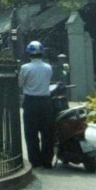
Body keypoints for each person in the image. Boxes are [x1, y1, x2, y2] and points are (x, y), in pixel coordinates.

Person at [17, 40, 56, 169]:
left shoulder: (25, 68)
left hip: (30, 102)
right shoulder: (48, 67)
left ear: (29, 54)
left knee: (31, 133)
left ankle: (35, 161)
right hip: (45, 102)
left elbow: (20, 84)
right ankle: (47, 160)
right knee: (47, 133)